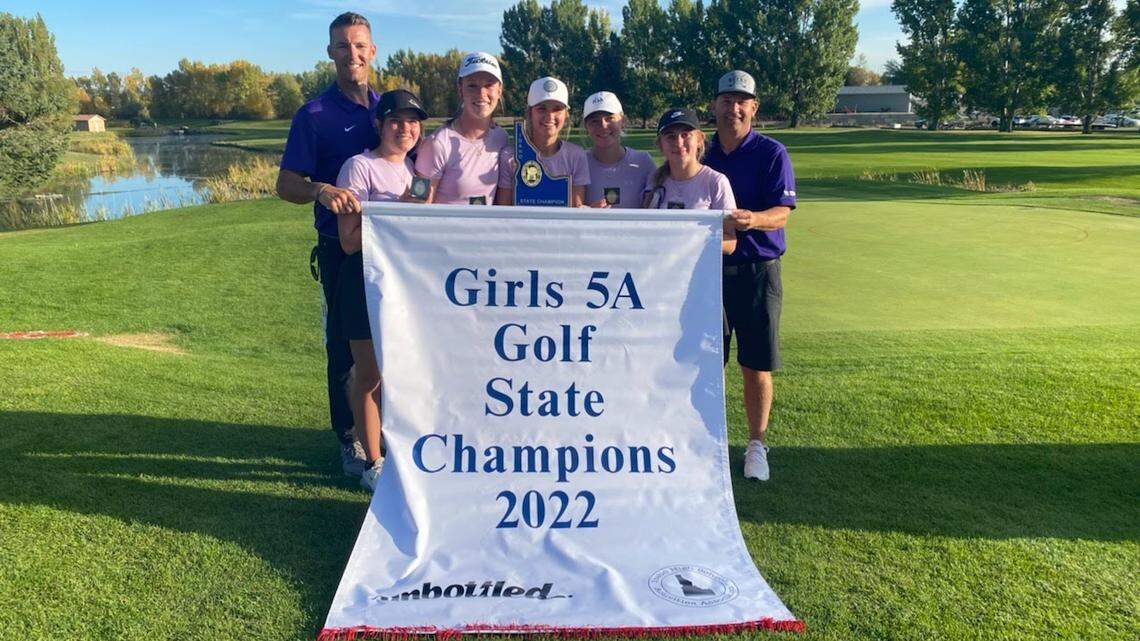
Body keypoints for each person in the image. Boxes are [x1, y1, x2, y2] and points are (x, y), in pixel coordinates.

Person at [276, 12, 379, 477]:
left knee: (387, 342)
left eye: (359, 45)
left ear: (372, 51)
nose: (351, 54)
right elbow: (285, 183)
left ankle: (379, 427)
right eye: (342, 45)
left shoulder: (387, 109)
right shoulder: (314, 115)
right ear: (330, 52)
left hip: (389, 249)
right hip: (339, 248)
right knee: (344, 344)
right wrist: (319, 189)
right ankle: (348, 439)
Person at [702, 71, 796, 482]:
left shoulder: (772, 152)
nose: (733, 108)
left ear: (754, 108)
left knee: (755, 364)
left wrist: (754, 219)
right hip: (709, 273)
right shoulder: (700, 152)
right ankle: (707, 441)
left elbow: (783, 213)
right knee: (708, 364)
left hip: (759, 270)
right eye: (726, 100)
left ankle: (756, 444)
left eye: (742, 101)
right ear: (715, 106)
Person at [334, 90, 427, 491]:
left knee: (396, 374)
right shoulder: (359, 168)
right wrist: (398, 210)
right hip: (363, 280)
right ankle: (372, 463)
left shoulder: (417, 171)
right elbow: (349, 241)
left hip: (403, 285)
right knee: (369, 375)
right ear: (379, 124)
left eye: (412, 121)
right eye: (395, 120)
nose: (405, 128)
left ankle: (388, 446)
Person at [416, 52, 512, 206]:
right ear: (460, 90)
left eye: (489, 85)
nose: (481, 94)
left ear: (499, 90)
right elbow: (419, 208)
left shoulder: (501, 137)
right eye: (472, 85)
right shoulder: (437, 144)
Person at [643, 108, 738, 256]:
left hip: (698, 276)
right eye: (670, 136)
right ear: (660, 144)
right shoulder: (654, 179)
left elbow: (730, 242)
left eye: (685, 135)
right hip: (659, 274)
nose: (678, 142)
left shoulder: (716, 181)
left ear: (699, 139)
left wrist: (687, 241)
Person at [497, 77, 590, 207]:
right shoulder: (510, 156)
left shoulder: (576, 156)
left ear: (566, 114)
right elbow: (503, 212)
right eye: (542, 108)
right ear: (530, 112)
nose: (550, 116)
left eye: (557, 109)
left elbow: (575, 212)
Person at [581, 91, 655, 209]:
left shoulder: (643, 162)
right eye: (594, 121)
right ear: (586, 127)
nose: (603, 125)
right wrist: (588, 213)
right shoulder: (578, 163)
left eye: (610, 118)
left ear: (623, 121)